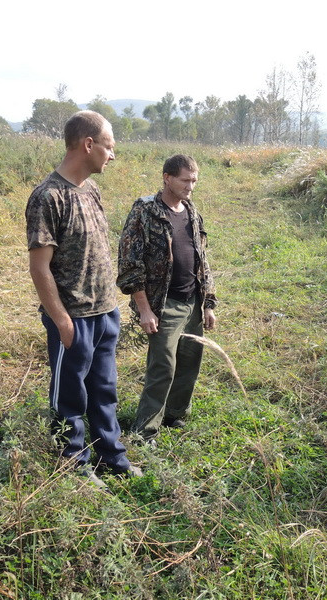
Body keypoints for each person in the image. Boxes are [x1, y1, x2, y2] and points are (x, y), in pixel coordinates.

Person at [26, 110, 138, 483]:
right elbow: (40, 268)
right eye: (109, 146)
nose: (112, 154)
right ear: (88, 144)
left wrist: (114, 306)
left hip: (106, 313)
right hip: (72, 319)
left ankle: (113, 458)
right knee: (69, 399)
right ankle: (73, 468)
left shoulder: (92, 190)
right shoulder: (48, 197)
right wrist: (60, 320)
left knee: (105, 393)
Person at [117, 154, 218, 442]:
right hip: (165, 305)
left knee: (189, 364)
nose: (190, 186)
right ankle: (145, 431)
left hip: (193, 303)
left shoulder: (190, 210)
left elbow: (202, 259)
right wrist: (145, 309)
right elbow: (130, 263)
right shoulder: (145, 210)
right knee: (163, 368)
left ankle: (174, 416)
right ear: (167, 177)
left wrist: (208, 302)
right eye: (185, 180)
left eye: (194, 180)